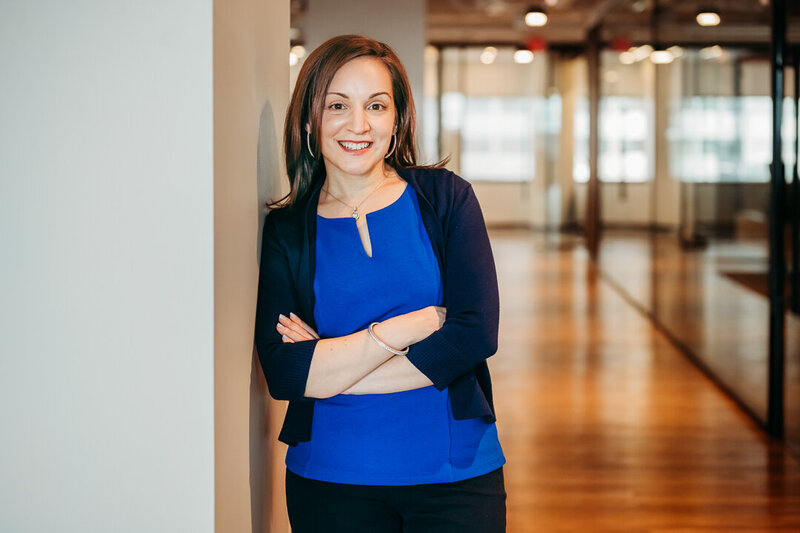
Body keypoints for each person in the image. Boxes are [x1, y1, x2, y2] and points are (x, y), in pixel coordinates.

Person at [254, 34, 505, 533]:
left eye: (376, 105)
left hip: (455, 476)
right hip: (329, 481)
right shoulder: (288, 230)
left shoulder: (446, 199)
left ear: (398, 118)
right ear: (310, 119)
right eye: (337, 105)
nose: (358, 124)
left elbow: (475, 335)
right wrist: (409, 327)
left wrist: (330, 367)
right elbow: (286, 374)